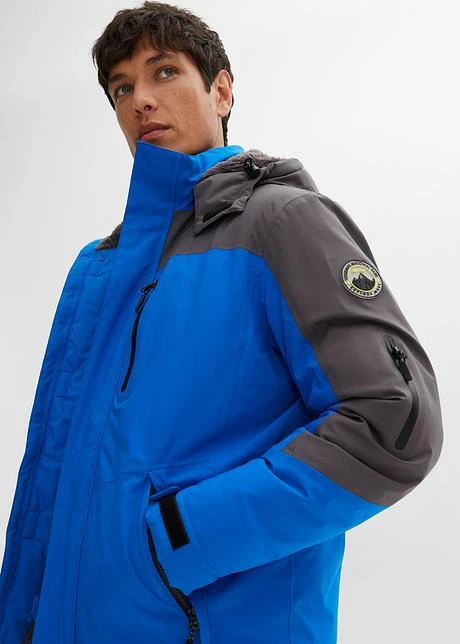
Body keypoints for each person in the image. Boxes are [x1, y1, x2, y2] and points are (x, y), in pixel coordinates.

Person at [0, 2, 443, 643]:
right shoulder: (99, 268)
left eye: (164, 72)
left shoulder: (281, 222)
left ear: (222, 90)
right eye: (122, 88)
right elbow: (52, 474)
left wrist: (181, 537)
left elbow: (395, 422)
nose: (141, 100)